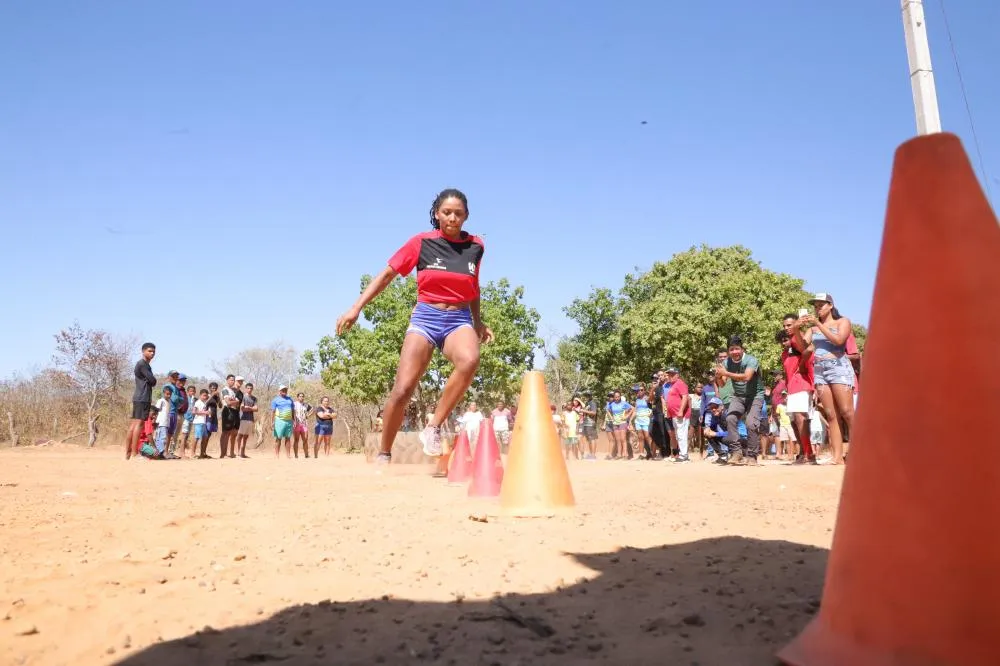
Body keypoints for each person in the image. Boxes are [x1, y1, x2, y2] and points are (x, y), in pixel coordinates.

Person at [335, 189, 493, 464]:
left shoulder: (476, 246)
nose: (452, 218)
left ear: (466, 216)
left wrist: (478, 321)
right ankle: (384, 452)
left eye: (458, 213)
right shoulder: (421, 243)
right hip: (426, 317)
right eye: (447, 212)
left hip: (458, 318)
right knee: (403, 389)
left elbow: (473, 287)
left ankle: (433, 427)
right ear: (436, 214)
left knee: (470, 360)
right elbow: (386, 276)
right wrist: (356, 307)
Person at [801, 293, 854, 465]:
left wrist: (817, 324)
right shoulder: (812, 329)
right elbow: (803, 347)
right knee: (831, 414)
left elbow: (839, 341)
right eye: (815, 306)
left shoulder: (842, 322)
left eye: (821, 305)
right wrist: (796, 329)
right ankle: (837, 457)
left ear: (830, 305)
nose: (818, 308)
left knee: (846, 411)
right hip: (820, 369)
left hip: (838, 366)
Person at [715, 335, 765, 466]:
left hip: (755, 396)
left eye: (737, 349)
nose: (734, 352)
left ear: (742, 349)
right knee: (730, 418)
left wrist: (726, 373)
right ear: (728, 351)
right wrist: (718, 376)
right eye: (731, 349)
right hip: (738, 396)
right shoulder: (726, 363)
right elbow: (722, 384)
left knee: (750, 423)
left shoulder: (751, 360)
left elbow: (747, 377)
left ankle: (752, 456)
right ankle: (737, 452)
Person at [779, 319, 817, 464]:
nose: (784, 342)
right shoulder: (785, 354)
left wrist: (801, 365)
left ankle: (809, 454)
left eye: (789, 325)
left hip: (802, 384)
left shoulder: (798, 339)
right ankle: (803, 452)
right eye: (782, 340)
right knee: (795, 422)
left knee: (801, 419)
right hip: (792, 389)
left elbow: (809, 350)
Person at [126, 342, 157, 459]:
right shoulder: (143, 364)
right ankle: (134, 454)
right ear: (143, 351)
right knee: (138, 426)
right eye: (149, 351)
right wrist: (152, 379)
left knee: (134, 425)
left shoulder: (144, 365)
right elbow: (153, 381)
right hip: (143, 397)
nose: (152, 353)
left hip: (139, 397)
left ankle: (128, 454)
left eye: (153, 351)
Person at [665, 368, 691, 463]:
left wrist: (680, 411)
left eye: (672, 374)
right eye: (669, 375)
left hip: (681, 414)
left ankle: (684, 455)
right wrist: (669, 412)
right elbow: (671, 400)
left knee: (681, 434)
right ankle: (683, 454)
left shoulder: (680, 383)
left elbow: (685, 397)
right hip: (674, 414)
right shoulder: (673, 385)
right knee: (678, 434)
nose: (670, 376)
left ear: (677, 375)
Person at [605, 390, 633, 459]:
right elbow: (607, 410)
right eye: (615, 397)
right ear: (614, 397)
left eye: (618, 397)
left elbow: (633, 408)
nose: (617, 398)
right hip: (615, 423)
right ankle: (619, 454)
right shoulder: (612, 404)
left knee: (623, 439)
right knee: (618, 440)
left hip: (622, 423)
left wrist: (627, 416)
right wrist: (611, 417)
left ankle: (625, 454)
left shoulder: (624, 403)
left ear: (620, 396)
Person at [219, 375, 241, 459]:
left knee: (231, 432)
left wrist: (234, 401)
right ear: (227, 380)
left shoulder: (233, 391)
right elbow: (228, 402)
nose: (232, 381)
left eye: (233, 380)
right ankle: (223, 454)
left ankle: (228, 453)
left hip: (234, 411)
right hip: (227, 411)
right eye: (231, 380)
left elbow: (237, 403)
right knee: (225, 433)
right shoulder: (225, 390)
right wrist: (235, 401)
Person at [701, 397, 729, 463]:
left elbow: (733, 433)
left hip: (741, 440)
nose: (713, 409)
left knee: (713, 434)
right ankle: (723, 456)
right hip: (732, 438)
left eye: (716, 407)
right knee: (708, 434)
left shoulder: (727, 416)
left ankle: (741, 454)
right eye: (711, 408)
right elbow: (712, 428)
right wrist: (708, 429)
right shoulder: (717, 415)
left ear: (722, 407)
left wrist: (716, 434)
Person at [271, 384, 295, 458]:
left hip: (289, 421)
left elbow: (293, 410)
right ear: (280, 391)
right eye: (283, 390)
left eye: (285, 390)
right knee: (278, 438)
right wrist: (272, 422)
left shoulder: (290, 399)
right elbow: (273, 411)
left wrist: (293, 420)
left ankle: (288, 455)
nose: (285, 391)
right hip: (279, 421)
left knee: (288, 438)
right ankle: (277, 455)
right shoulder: (275, 400)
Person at [236, 382, 257, 458]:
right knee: (240, 435)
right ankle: (238, 452)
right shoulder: (243, 397)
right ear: (245, 388)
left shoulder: (254, 398)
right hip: (243, 418)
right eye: (248, 388)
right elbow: (242, 409)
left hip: (250, 419)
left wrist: (249, 408)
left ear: (252, 389)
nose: (249, 389)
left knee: (246, 437)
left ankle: (243, 453)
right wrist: (251, 408)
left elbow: (256, 409)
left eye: (251, 388)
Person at [633, 387, 654, 459]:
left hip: (646, 420)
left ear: (644, 391)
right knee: (640, 438)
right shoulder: (637, 400)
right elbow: (635, 410)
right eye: (639, 390)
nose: (640, 391)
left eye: (642, 390)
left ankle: (651, 453)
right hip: (638, 421)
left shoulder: (646, 399)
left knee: (647, 437)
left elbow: (651, 398)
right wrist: (630, 421)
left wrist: (652, 389)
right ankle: (641, 454)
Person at [578, 392, 599, 460]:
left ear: (590, 396)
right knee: (589, 439)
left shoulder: (592, 403)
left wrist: (584, 411)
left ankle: (593, 454)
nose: (586, 397)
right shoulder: (588, 403)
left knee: (592, 438)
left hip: (591, 423)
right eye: (585, 396)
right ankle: (590, 454)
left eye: (588, 395)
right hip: (586, 423)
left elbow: (594, 413)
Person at [153, 386, 173, 459]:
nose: (169, 395)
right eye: (167, 394)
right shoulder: (161, 401)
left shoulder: (169, 401)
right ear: (163, 393)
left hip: (166, 422)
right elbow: (156, 411)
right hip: (161, 422)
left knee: (161, 438)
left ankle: (158, 453)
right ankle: (160, 453)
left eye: (170, 394)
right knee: (161, 438)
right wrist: (154, 421)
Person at [202, 382, 220, 459]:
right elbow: (205, 404)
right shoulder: (207, 395)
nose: (214, 389)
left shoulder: (216, 397)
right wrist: (212, 395)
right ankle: (201, 453)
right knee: (205, 435)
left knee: (209, 435)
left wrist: (218, 398)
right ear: (209, 388)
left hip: (214, 417)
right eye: (212, 388)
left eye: (215, 388)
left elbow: (220, 405)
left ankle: (204, 452)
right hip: (207, 417)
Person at [292, 392, 312, 458]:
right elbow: (291, 412)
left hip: (304, 424)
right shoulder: (294, 404)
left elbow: (313, 409)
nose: (301, 397)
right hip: (296, 424)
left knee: (305, 439)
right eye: (300, 396)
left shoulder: (306, 405)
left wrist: (308, 416)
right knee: (296, 440)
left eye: (302, 396)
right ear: (297, 397)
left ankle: (306, 454)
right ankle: (296, 455)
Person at [191, 389, 209, 459]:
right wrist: (204, 413)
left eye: (206, 396)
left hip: (203, 422)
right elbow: (194, 411)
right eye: (204, 395)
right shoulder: (197, 402)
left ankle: (202, 453)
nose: (205, 397)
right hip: (198, 422)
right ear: (200, 395)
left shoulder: (204, 403)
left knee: (204, 437)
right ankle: (192, 453)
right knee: (197, 437)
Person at [180, 384, 197, 458]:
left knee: (187, 436)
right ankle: (181, 453)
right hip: (185, 419)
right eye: (190, 391)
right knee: (184, 435)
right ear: (188, 392)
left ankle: (184, 452)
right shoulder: (185, 399)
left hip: (191, 419)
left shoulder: (195, 400)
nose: (192, 392)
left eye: (193, 391)